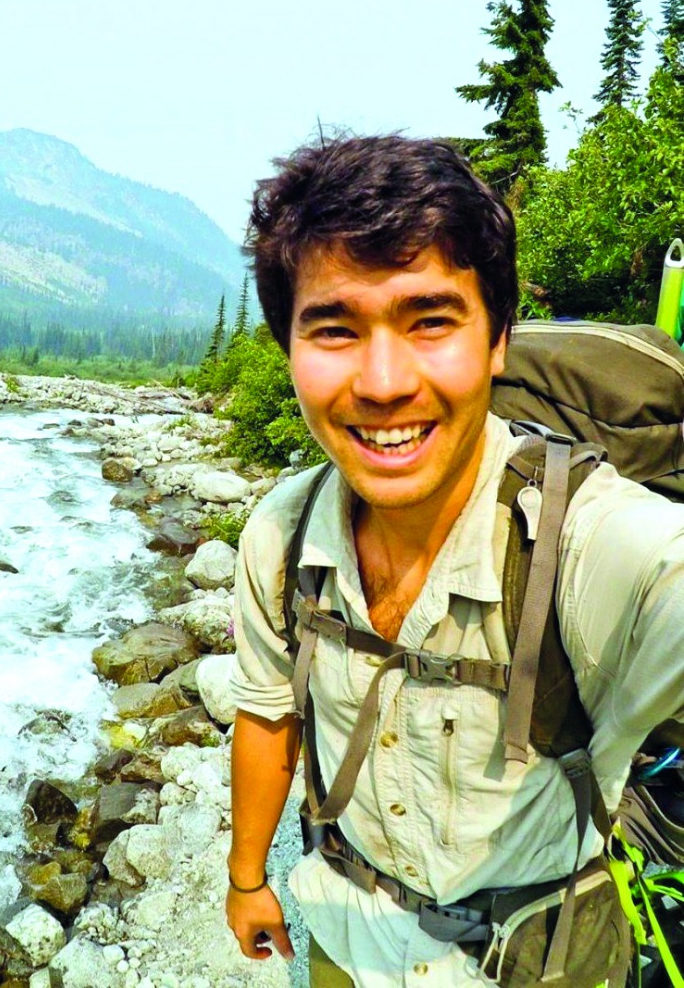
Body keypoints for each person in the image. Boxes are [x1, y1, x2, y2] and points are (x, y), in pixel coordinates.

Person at [224, 133, 684, 986]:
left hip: (536, 960)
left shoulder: (586, 541)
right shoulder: (281, 535)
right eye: (333, 328)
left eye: (430, 320)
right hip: (342, 925)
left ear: (498, 338)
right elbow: (267, 717)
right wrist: (247, 878)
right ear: (287, 349)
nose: (385, 382)